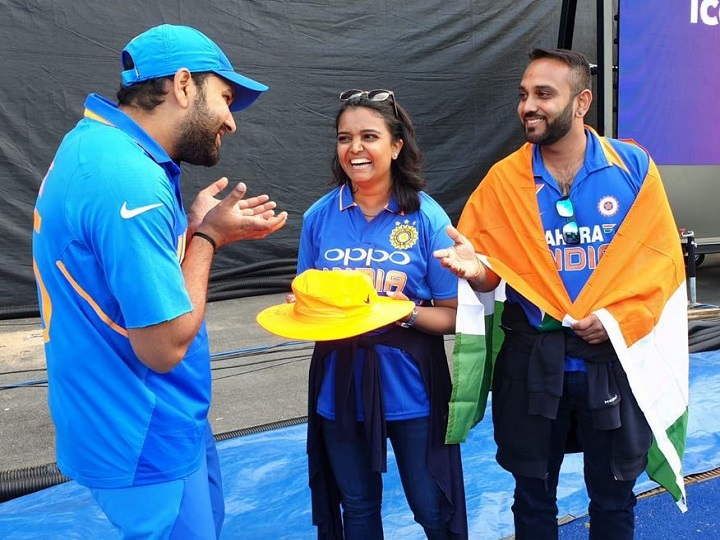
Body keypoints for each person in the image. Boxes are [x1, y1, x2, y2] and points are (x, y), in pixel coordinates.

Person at [31, 24, 287, 539]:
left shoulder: (94, 142)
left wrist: (190, 227)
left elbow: (107, 272)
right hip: (142, 427)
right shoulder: (131, 181)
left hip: (144, 416)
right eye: (226, 98)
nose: (231, 122)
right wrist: (210, 238)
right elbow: (163, 346)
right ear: (185, 84)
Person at [435, 48, 689, 539]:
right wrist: (476, 274)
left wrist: (616, 319)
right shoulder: (502, 182)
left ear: (581, 102)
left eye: (544, 95)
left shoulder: (632, 167)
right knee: (532, 498)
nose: (528, 106)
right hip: (533, 362)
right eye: (524, 95)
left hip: (610, 361)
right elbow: (492, 272)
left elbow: (661, 265)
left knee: (614, 496)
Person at [297, 89, 467, 539]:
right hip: (339, 382)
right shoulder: (319, 217)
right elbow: (306, 300)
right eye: (344, 138)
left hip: (412, 387)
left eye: (369, 136)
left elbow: (452, 316)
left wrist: (396, 313)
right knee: (356, 506)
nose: (355, 149)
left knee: (434, 508)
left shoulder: (426, 217)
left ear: (395, 146)